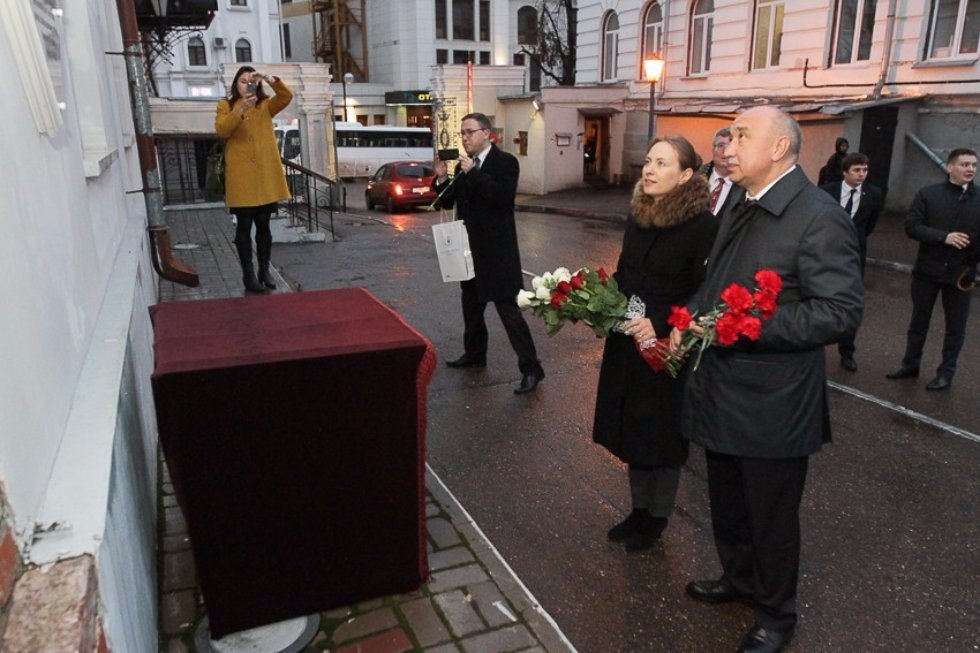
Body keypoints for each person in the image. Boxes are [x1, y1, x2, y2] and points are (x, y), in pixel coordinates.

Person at [673, 107, 862, 653]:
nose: (728, 144)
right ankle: (739, 581)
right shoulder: (739, 199)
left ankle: (777, 615)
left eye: (742, 135)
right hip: (722, 389)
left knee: (771, 518)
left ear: (779, 148)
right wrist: (689, 318)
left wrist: (747, 326)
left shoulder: (818, 216)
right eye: (728, 134)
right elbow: (717, 284)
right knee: (728, 503)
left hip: (774, 405)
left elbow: (840, 312)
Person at [593, 136, 718, 552]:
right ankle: (638, 510)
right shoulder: (639, 214)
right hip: (628, 337)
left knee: (660, 435)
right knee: (631, 428)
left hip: (668, 343)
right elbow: (626, 273)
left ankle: (657, 517)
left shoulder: (702, 225)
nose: (648, 170)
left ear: (685, 175)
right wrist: (601, 302)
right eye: (648, 161)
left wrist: (662, 322)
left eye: (661, 163)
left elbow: (706, 289)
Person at [434, 113, 545, 394]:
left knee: (509, 313)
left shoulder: (505, 162)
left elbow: (501, 197)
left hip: (497, 254)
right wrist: (442, 177)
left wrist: (474, 174)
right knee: (471, 309)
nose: (464, 137)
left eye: (469, 132)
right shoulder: (463, 167)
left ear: (487, 133)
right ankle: (475, 355)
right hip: (469, 253)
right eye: (462, 133)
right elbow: (445, 201)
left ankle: (532, 369)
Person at [886, 148, 979, 391]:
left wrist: (973, 266)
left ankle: (946, 373)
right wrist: (943, 237)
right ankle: (910, 364)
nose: (970, 169)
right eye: (964, 164)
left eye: (974, 165)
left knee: (955, 328)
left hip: (962, 275)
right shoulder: (929, 194)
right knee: (919, 322)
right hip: (927, 271)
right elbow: (912, 227)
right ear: (950, 167)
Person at [215, 66, 293, 294]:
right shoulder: (226, 106)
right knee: (244, 226)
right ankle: (248, 275)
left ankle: (264, 270)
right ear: (235, 85)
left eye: (252, 81)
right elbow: (222, 130)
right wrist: (240, 108)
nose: (247, 85)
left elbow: (286, 96)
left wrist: (270, 79)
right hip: (241, 178)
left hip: (264, 176)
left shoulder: (265, 106)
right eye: (242, 81)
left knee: (263, 225)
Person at [820, 152, 883, 371]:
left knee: (849, 303)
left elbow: (870, 225)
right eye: (857, 170)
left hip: (854, 256)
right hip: (825, 252)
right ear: (845, 172)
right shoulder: (828, 191)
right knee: (819, 297)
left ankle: (847, 351)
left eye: (865, 170)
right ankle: (815, 345)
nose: (861, 174)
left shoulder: (873, 194)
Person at [700, 127, 735, 216]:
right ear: (712, 150)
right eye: (720, 145)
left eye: (730, 146)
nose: (725, 151)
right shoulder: (696, 178)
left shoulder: (746, 185)